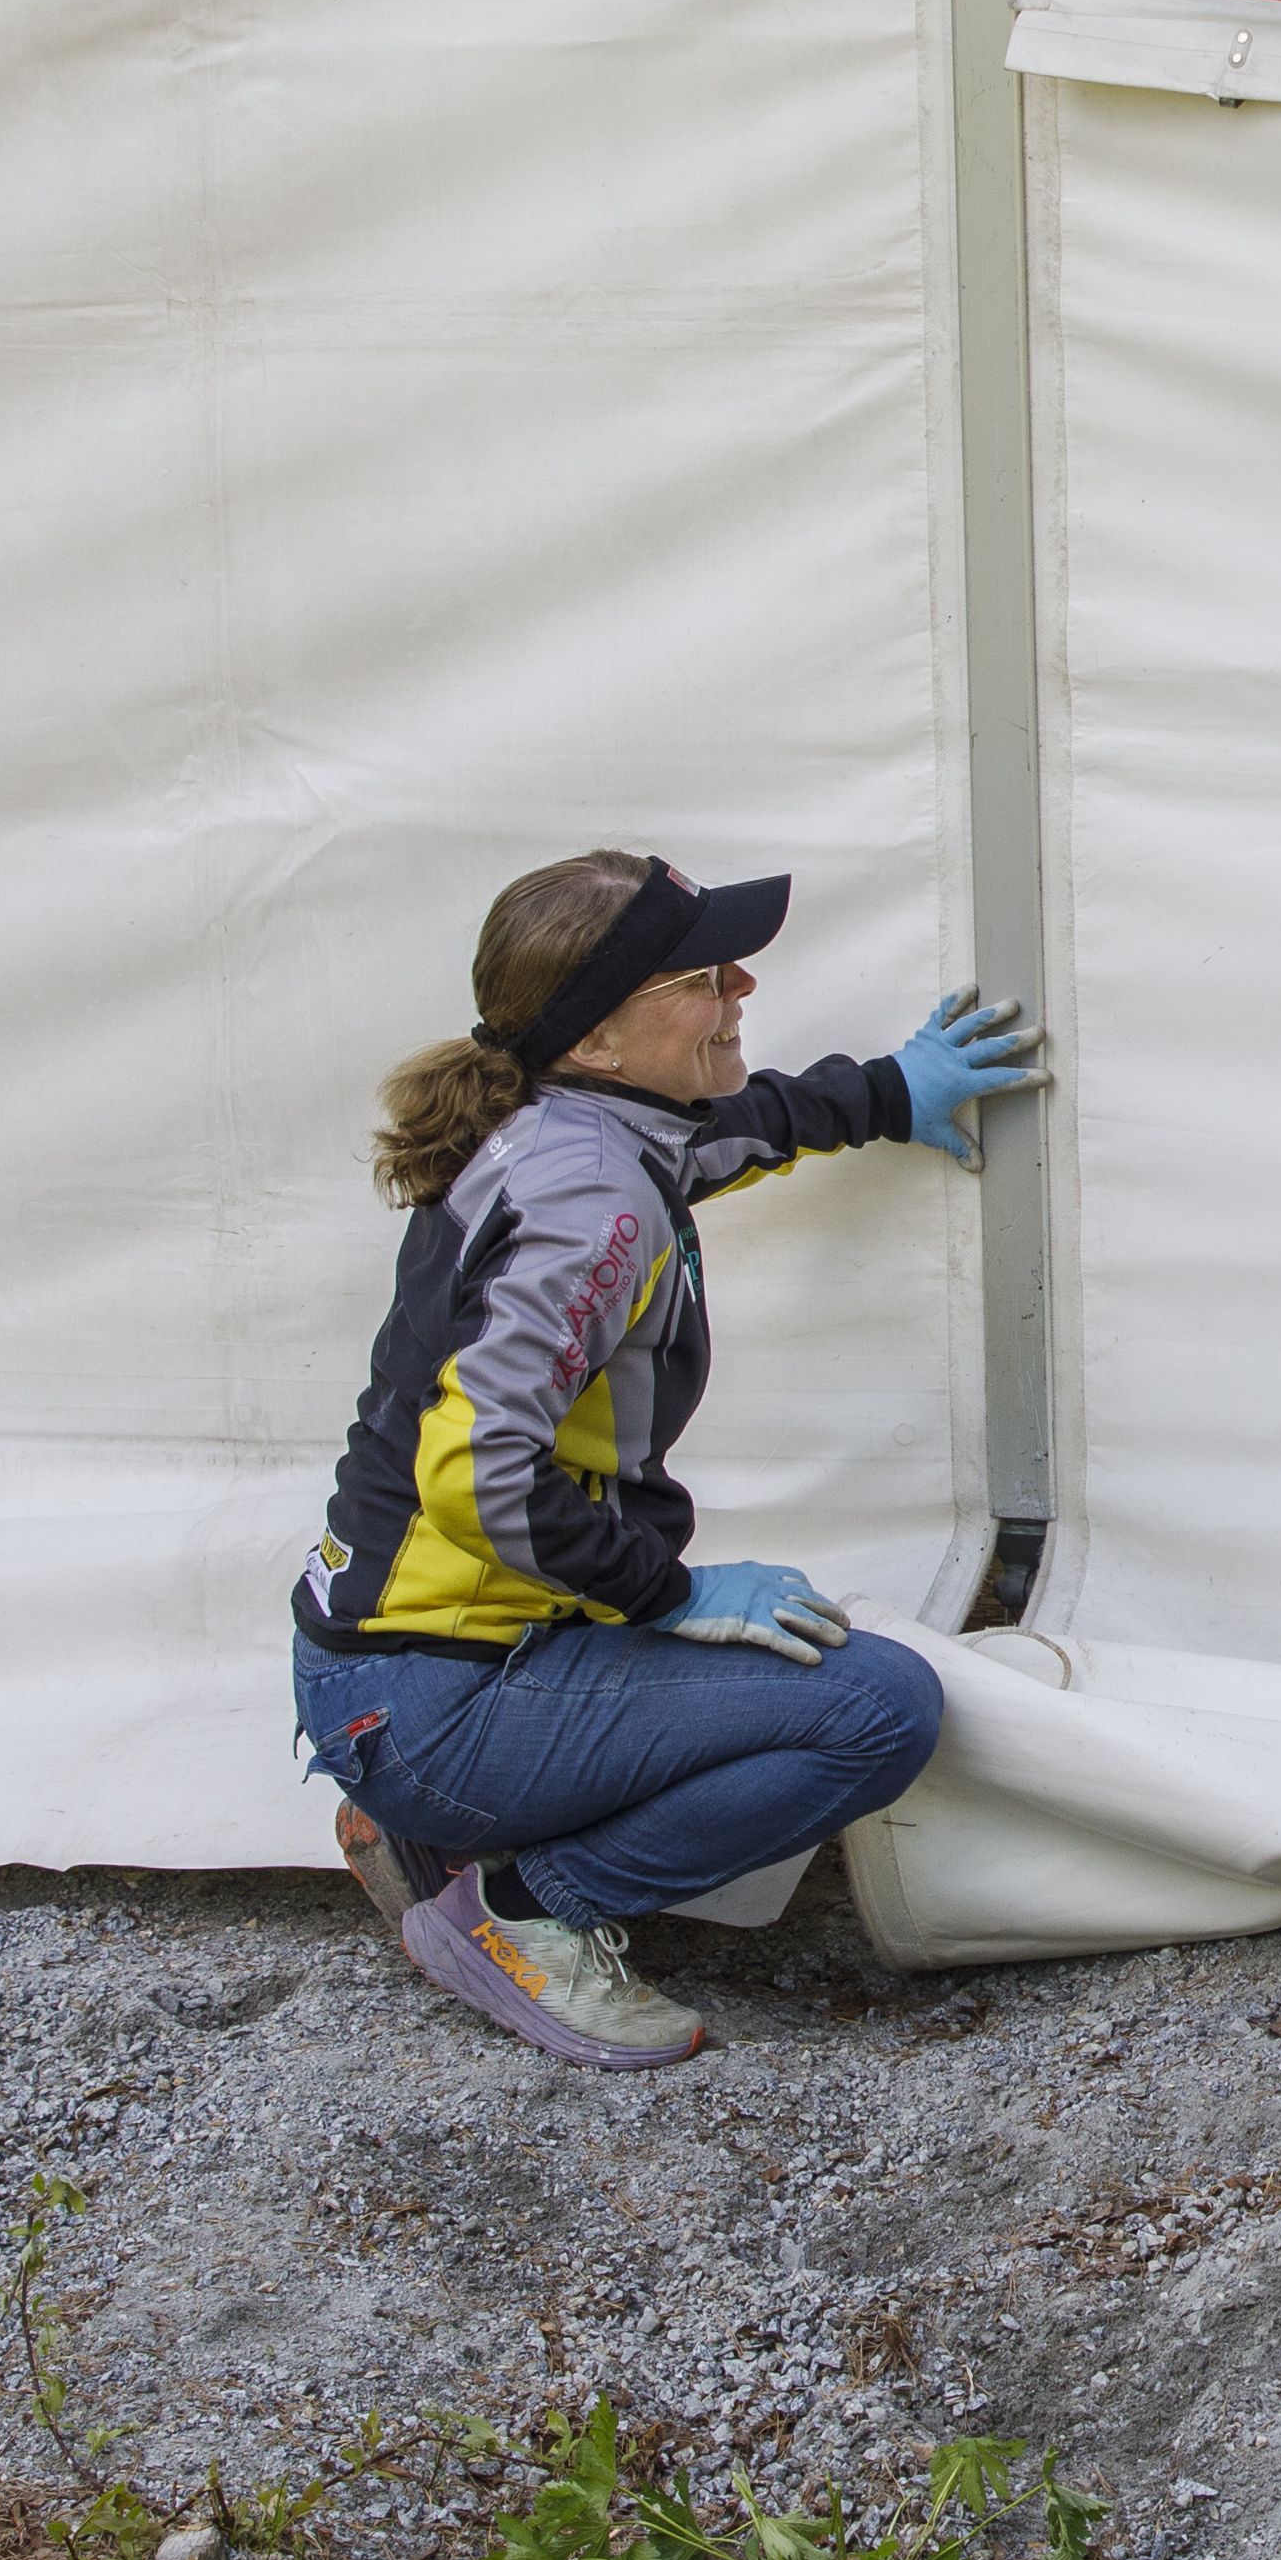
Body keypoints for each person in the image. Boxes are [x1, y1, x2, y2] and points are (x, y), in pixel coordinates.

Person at [294, 854, 1049, 2073]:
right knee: (877, 1711)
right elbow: (478, 1474)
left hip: (399, 1667)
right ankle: (529, 1908)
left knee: (817, 1681)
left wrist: (887, 1090)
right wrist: (672, 1592)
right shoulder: (589, 1203)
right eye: (702, 975)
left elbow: (720, 1134)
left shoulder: (567, 1127)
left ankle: (428, 1836)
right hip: (436, 1701)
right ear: (598, 1038)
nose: (743, 982)